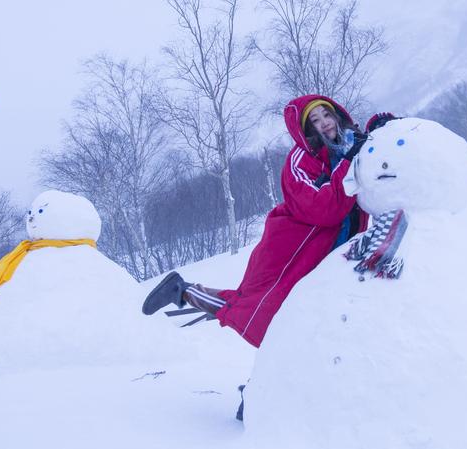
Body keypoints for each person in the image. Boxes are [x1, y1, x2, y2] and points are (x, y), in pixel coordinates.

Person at [143, 95, 372, 348]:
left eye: (327, 115)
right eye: (315, 120)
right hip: (293, 251)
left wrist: (380, 128)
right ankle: (183, 291)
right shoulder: (300, 161)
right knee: (266, 313)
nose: (325, 123)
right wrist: (349, 161)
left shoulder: (353, 143)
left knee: (320, 315)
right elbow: (325, 209)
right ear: (306, 130)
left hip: (337, 250)